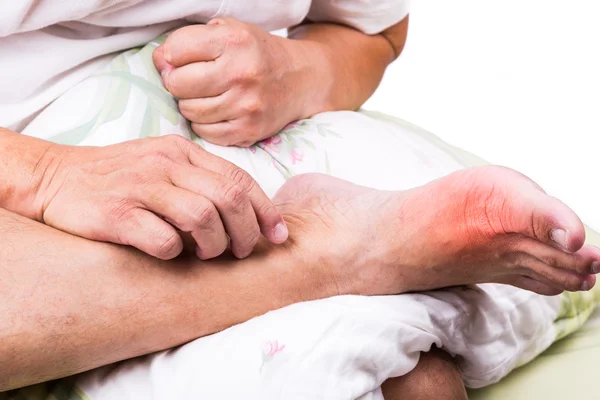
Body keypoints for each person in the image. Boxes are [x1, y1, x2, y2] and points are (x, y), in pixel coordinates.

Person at [1, 1, 598, 397]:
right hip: (27, 171)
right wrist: (44, 174)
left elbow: (373, 27)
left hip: (235, 155)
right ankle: (328, 251)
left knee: (414, 384)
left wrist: (302, 67)